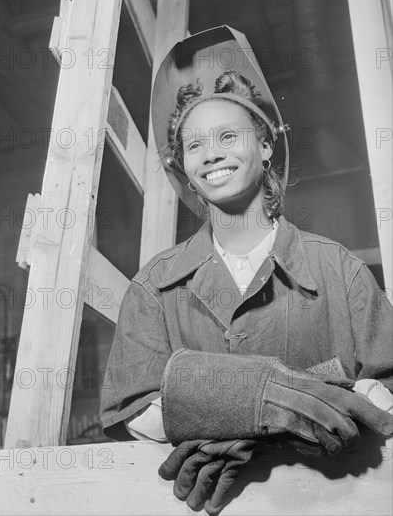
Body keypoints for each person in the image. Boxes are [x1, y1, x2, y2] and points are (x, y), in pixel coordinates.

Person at [101, 26, 393, 515]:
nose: (210, 154)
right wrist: (276, 402)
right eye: (194, 146)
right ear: (185, 169)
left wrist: (217, 408)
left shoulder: (339, 270)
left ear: (264, 146)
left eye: (227, 136)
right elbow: (135, 412)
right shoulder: (153, 287)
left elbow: (386, 395)